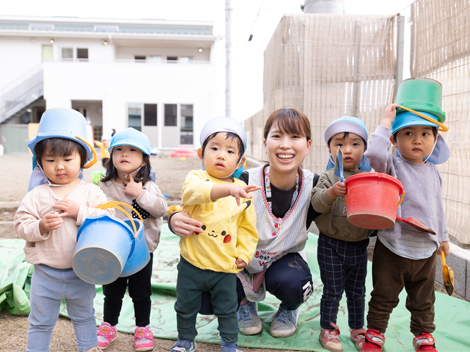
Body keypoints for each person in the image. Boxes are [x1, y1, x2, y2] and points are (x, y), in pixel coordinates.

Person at [169, 108, 319, 339]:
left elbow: (337, 225)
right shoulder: (241, 181)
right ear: (265, 142)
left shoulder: (314, 185)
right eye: (277, 136)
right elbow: (199, 197)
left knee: (293, 283)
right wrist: (173, 218)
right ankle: (243, 302)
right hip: (239, 261)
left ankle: (289, 308)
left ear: (308, 145)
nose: (285, 145)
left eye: (295, 137)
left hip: (283, 262)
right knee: (204, 298)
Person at [14, 107, 113, 352]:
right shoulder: (36, 195)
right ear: (39, 162)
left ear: (82, 159)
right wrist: (40, 225)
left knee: (84, 317)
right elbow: (21, 224)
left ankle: (88, 348)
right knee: (40, 322)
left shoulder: (90, 192)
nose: (59, 166)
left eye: (67, 159)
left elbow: (109, 217)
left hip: (82, 273)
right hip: (45, 274)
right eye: (50, 160)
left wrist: (79, 211)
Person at [361, 102, 450, 352]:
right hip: (393, 246)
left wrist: (442, 238)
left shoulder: (433, 172)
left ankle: (423, 336)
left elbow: (437, 209)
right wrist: (386, 120)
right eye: (408, 133)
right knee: (384, 294)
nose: (417, 140)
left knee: (423, 299)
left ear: (435, 139)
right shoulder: (392, 166)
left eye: (425, 133)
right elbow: (375, 154)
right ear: (395, 139)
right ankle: (375, 333)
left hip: (426, 251)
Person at [170, 117, 260, 352]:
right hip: (193, 262)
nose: (221, 155)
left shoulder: (243, 190)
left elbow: (247, 229)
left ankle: (229, 344)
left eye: (230, 151)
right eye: (215, 148)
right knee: (185, 305)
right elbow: (195, 193)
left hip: (224, 266)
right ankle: (186, 340)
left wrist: (244, 253)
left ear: (240, 161)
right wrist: (228, 189)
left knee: (227, 307)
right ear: (202, 153)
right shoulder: (196, 178)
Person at [96, 128, 167, 351]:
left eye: (132, 150)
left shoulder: (148, 187)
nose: (124, 154)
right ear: (111, 157)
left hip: (141, 252)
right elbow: (96, 211)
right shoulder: (104, 186)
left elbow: (161, 209)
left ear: (144, 160)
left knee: (141, 292)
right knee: (112, 292)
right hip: (112, 250)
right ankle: (109, 326)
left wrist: (139, 193)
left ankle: (143, 328)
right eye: (119, 150)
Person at [311, 116, 373, 352]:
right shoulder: (328, 177)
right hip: (330, 244)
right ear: (329, 148)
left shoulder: (369, 178)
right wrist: (332, 193)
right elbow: (316, 204)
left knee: (357, 293)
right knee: (333, 291)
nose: (347, 150)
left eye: (355, 144)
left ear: (365, 148)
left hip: (359, 244)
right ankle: (328, 330)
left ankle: (358, 330)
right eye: (339, 144)